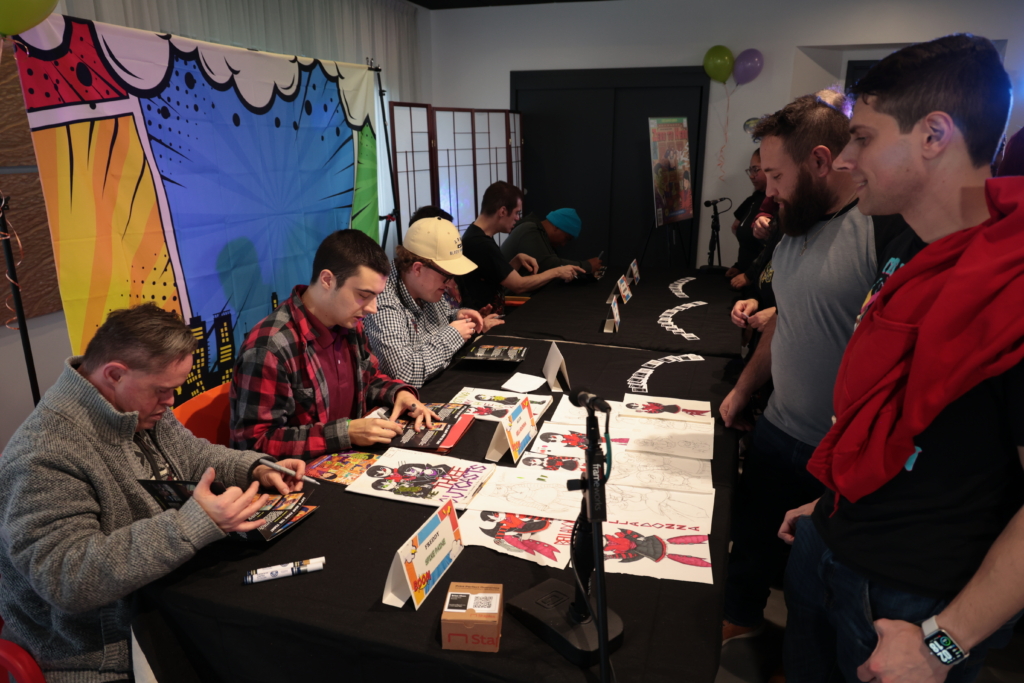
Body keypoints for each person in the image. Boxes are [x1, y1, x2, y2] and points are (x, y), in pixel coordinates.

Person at [778, 35, 1024, 683]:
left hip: (912, 607)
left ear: (934, 135)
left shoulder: (1013, 283)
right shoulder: (909, 247)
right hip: (832, 543)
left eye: (863, 137)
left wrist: (945, 644)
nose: (848, 158)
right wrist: (832, 500)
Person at [0, 304, 307, 682]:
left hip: (163, 609)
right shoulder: (43, 453)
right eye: (164, 391)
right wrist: (193, 524)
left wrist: (254, 467)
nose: (171, 401)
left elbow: (195, 456)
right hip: (99, 657)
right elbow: (66, 579)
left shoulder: (133, 404)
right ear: (114, 374)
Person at [718, 89, 908, 645]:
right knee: (752, 544)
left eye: (776, 175)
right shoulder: (793, 226)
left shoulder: (879, 230)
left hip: (837, 451)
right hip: (778, 425)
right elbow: (790, 321)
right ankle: (740, 625)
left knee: (816, 586)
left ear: (821, 162)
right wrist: (744, 390)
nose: (768, 191)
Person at [231, 229, 436, 459]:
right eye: (363, 295)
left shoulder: (350, 324)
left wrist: (398, 394)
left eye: (376, 296)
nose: (372, 308)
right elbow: (254, 444)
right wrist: (345, 433)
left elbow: (368, 379)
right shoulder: (270, 347)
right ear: (327, 280)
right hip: (300, 476)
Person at [364, 216, 504, 387]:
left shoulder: (425, 287)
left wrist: (459, 318)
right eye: (447, 276)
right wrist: (453, 335)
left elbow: (441, 322)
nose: (450, 283)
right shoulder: (384, 302)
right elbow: (403, 375)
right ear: (417, 268)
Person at [455, 181, 585, 312]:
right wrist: (557, 271)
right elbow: (519, 285)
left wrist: (516, 261)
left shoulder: (477, 234)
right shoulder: (480, 243)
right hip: (485, 319)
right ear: (503, 211)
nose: (517, 218)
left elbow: (494, 277)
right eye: (516, 213)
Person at [499, 208, 603, 275]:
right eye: (566, 238)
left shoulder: (538, 232)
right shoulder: (529, 230)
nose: (563, 244)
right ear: (557, 227)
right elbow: (547, 264)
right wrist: (587, 266)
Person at [725, 149, 768, 289]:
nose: (751, 176)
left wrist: (750, 275)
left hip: (760, 283)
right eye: (750, 170)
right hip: (744, 277)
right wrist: (740, 266)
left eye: (756, 170)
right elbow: (739, 231)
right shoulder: (753, 199)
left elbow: (771, 250)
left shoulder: (777, 204)